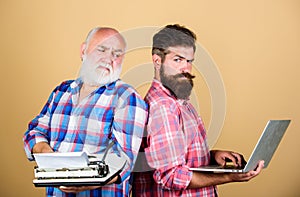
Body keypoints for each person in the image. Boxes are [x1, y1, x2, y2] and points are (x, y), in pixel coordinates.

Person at [132, 24, 264, 196]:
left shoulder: (180, 101)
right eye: (177, 60)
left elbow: (176, 154)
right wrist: (230, 176)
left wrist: (211, 156)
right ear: (157, 60)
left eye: (189, 61)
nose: (186, 68)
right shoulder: (163, 107)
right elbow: (171, 176)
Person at [23, 27, 148, 197]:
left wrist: (86, 179)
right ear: (83, 51)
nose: (108, 59)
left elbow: (124, 159)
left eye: (116, 54)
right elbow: (34, 132)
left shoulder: (127, 97)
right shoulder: (61, 91)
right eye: (101, 49)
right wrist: (48, 155)